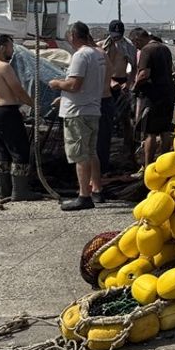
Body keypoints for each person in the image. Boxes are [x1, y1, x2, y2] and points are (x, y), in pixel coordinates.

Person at [49, 22, 106, 211]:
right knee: (90, 152)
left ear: (73, 36)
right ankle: (95, 189)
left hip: (78, 112)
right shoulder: (97, 55)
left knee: (80, 155)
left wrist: (57, 84)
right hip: (91, 109)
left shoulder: (80, 56)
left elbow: (74, 85)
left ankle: (84, 195)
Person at [0, 34, 38, 202]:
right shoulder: (4, 67)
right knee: (19, 150)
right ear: (2, 47)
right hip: (6, 111)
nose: (12, 51)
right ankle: (20, 191)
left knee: (1, 151)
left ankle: (3, 190)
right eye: (11, 47)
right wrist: (34, 105)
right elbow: (17, 90)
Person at [129, 27, 175, 168]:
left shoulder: (147, 50)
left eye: (134, 43)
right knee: (165, 131)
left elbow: (144, 74)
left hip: (153, 97)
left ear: (138, 39)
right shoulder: (164, 48)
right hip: (168, 94)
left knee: (150, 133)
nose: (135, 46)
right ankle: (165, 163)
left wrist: (135, 87)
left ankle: (148, 166)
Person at [98, 20, 137, 175]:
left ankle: (128, 153)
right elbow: (100, 68)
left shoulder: (128, 47)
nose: (115, 38)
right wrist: (110, 81)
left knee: (125, 119)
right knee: (104, 119)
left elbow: (133, 67)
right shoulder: (102, 46)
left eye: (118, 36)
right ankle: (103, 155)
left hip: (121, 83)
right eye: (113, 35)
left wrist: (128, 83)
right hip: (106, 83)